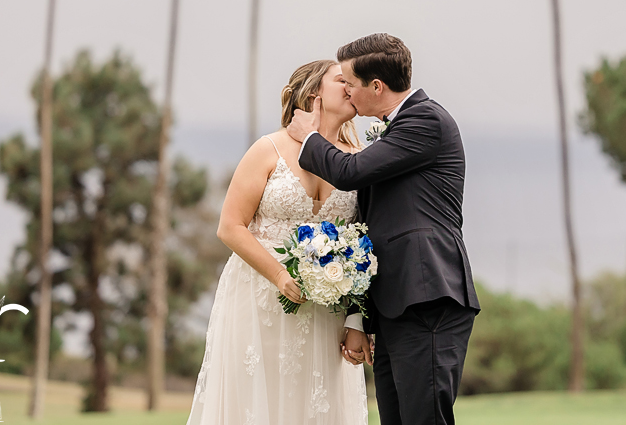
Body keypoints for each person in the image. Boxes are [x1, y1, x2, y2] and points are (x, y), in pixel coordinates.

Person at [287, 33, 480, 425]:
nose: (347, 91)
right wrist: (360, 318)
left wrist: (309, 137)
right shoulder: (393, 131)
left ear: (376, 86)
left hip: (427, 296)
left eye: (350, 83)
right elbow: (370, 228)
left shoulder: (425, 120)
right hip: (397, 303)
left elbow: (349, 172)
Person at [187, 60, 368, 425]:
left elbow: (365, 243)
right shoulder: (268, 149)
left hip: (325, 311)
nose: (352, 86)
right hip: (260, 300)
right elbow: (230, 226)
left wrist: (356, 320)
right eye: (342, 80)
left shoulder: (358, 159)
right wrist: (280, 276)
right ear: (315, 94)